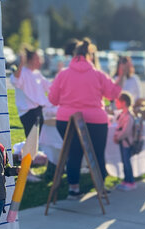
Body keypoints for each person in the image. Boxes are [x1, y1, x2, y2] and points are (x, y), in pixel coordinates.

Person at [48, 38, 124, 199]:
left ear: (74, 54)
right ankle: (100, 186)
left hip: (66, 118)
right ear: (90, 55)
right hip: (95, 120)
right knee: (97, 154)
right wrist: (121, 76)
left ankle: (73, 189)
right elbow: (113, 94)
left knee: (73, 154)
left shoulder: (63, 74)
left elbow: (52, 99)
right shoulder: (98, 74)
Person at [10, 47, 51, 138]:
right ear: (30, 60)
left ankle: (33, 153)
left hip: (39, 110)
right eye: (37, 58)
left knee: (38, 141)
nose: (41, 61)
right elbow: (15, 81)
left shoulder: (37, 73)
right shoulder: (22, 72)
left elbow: (50, 87)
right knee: (31, 142)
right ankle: (27, 153)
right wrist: (21, 64)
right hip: (28, 112)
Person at [113, 92, 137, 191]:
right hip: (123, 142)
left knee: (127, 162)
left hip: (126, 142)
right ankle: (126, 180)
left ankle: (131, 181)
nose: (116, 104)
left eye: (118, 102)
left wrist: (118, 137)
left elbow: (126, 131)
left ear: (123, 102)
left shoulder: (128, 116)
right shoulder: (123, 114)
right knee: (124, 161)